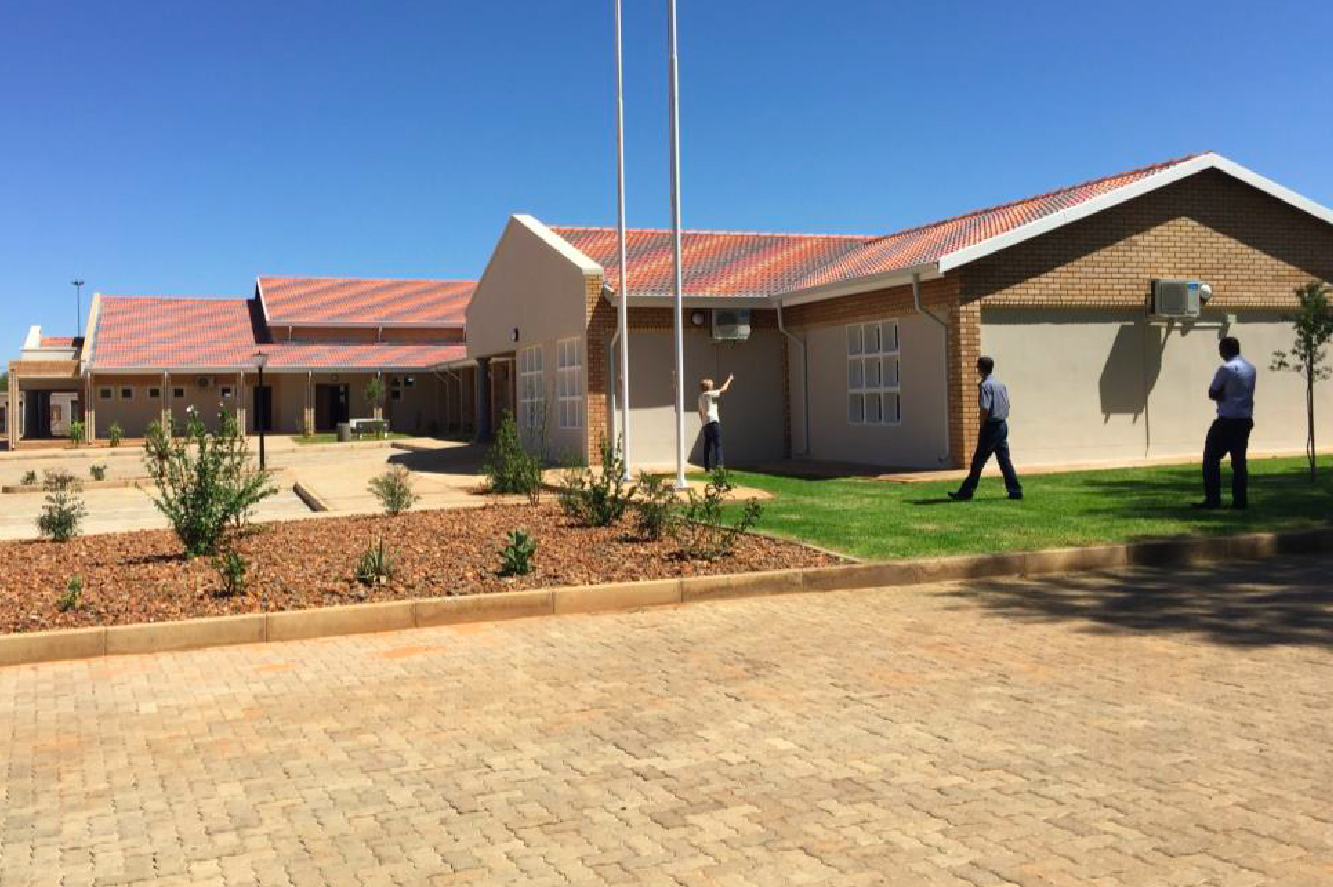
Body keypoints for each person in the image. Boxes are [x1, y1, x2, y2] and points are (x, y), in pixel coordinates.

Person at [948, 356, 1023, 501]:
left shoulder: (985, 386)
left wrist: (981, 426)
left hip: (991, 427)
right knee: (1004, 460)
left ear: (980, 369)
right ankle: (1015, 490)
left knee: (978, 461)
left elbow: (985, 408)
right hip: (1002, 425)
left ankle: (966, 492)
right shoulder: (1000, 385)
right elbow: (1007, 405)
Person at [1196, 336, 1256, 510]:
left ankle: (1213, 499)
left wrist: (1223, 395)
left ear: (1226, 350)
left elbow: (1212, 392)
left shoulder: (1226, 368)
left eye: (1221, 349)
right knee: (1239, 462)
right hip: (1244, 419)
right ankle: (1240, 501)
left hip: (1226, 419)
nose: (1220, 353)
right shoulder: (1250, 368)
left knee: (1210, 459)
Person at [697, 374, 733, 471]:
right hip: (713, 421)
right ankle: (720, 468)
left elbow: (700, 412)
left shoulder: (700, 397)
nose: (712, 385)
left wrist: (703, 422)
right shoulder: (710, 393)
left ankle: (707, 468)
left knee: (707, 446)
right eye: (711, 384)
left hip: (706, 423)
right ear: (708, 386)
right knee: (718, 445)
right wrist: (729, 379)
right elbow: (724, 389)